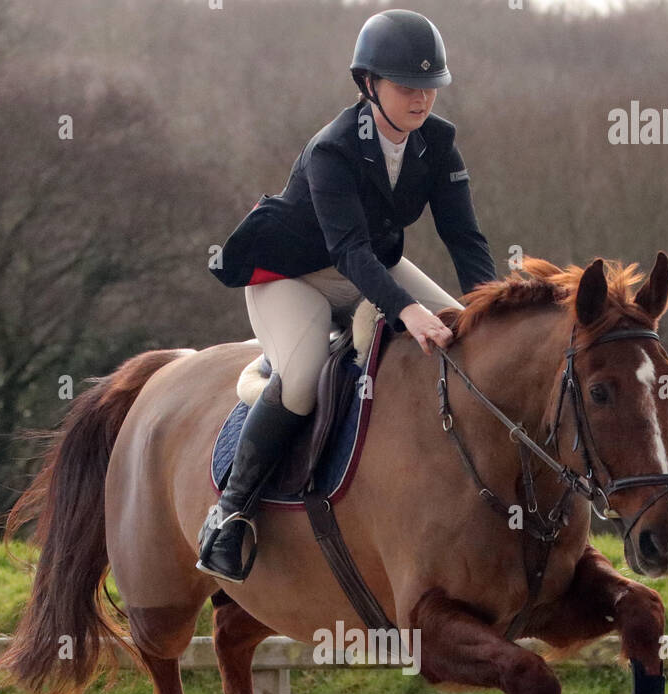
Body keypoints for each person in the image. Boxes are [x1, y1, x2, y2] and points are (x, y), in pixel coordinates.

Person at [200, 8, 498, 583]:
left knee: (467, 331)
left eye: (429, 87)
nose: (421, 99)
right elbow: (350, 250)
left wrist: (494, 305)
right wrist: (406, 309)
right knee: (306, 375)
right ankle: (229, 513)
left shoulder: (438, 144)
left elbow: (464, 238)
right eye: (407, 87)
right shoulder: (332, 149)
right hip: (291, 276)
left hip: (369, 266)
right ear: (369, 84)